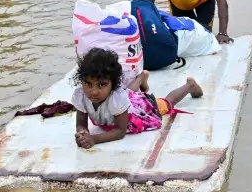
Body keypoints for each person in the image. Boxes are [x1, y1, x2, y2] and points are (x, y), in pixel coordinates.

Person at [73, 47, 203, 148]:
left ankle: (189, 86)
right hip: (123, 99)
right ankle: (141, 77)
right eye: (88, 84)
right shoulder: (81, 95)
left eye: (102, 85)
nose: (94, 92)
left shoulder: (117, 98)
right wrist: (82, 132)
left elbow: (120, 131)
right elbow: (81, 123)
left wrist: (94, 139)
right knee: (127, 92)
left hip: (136, 111)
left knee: (166, 103)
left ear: (112, 84)